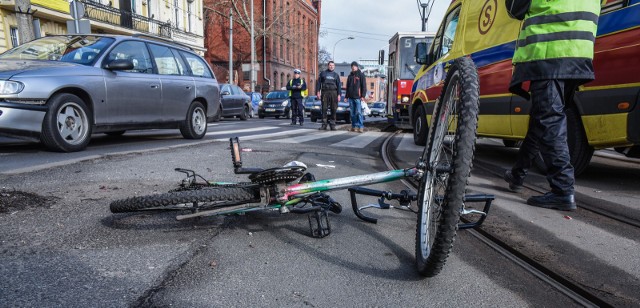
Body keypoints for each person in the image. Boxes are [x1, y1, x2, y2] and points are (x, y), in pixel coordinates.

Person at [503, 0, 600, 211]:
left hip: (550, 51)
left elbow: (514, 9)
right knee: (542, 117)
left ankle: (562, 190)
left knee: (550, 119)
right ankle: (517, 174)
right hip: (579, 50)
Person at [316, 61, 341, 130]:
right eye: (330, 65)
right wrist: (318, 92)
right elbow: (318, 83)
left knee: (333, 109)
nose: (331, 66)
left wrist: (339, 95)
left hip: (334, 93)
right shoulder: (323, 73)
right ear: (328, 66)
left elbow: (339, 85)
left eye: (333, 65)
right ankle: (324, 124)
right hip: (325, 92)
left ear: (334, 66)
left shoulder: (336, 75)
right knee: (324, 109)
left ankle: (332, 124)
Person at [345, 61, 367, 133]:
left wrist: (363, 96)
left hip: (358, 98)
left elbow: (364, 86)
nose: (353, 67)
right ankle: (353, 126)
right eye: (352, 66)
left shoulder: (361, 75)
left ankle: (360, 127)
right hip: (351, 98)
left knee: (359, 113)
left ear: (357, 67)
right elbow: (347, 87)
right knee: (352, 113)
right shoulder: (350, 76)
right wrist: (346, 97)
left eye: (354, 66)